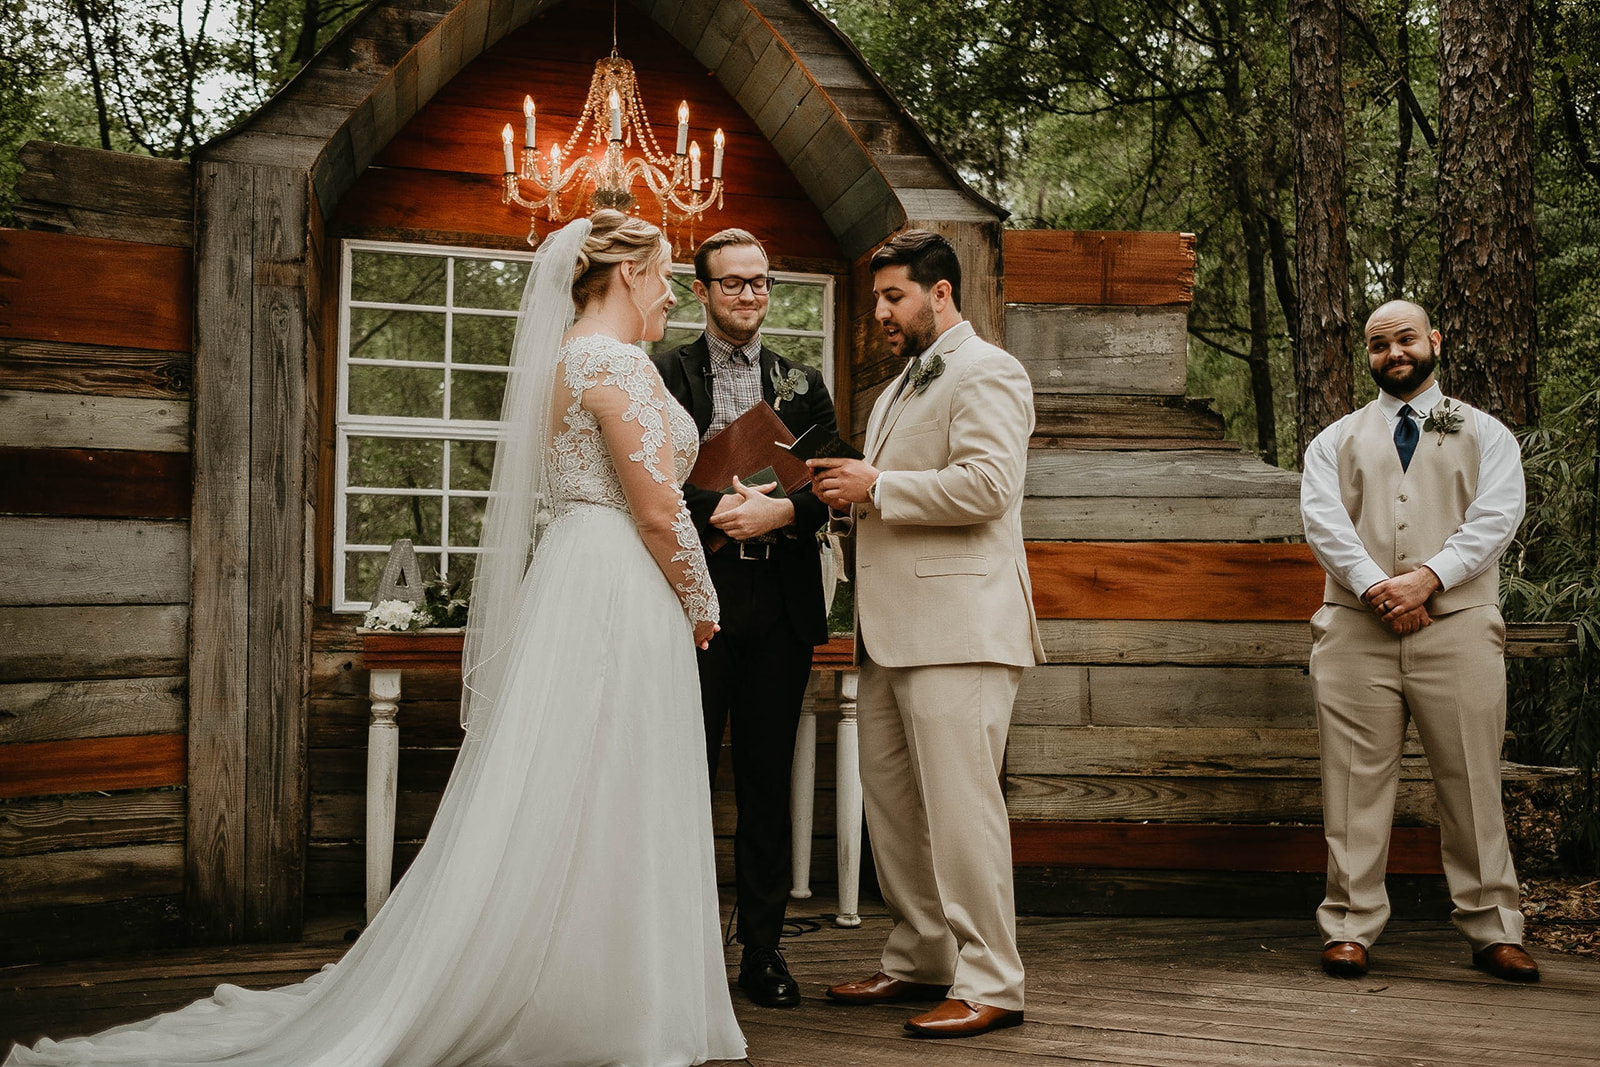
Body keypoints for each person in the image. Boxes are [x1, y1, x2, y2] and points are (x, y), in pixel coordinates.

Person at [4, 211, 748, 1066]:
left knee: (577, 774)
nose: (667, 293)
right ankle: (610, 996)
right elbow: (656, 511)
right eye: (660, 275)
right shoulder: (610, 360)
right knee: (609, 770)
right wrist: (701, 599)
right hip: (619, 582)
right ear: (623, 274)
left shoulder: (570, 358)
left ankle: (594, 979)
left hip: (585, 571)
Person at [809, 229, 1044, 1039]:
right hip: (888, 629)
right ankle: (921, 955)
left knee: (961, 808)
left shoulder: (989, 371)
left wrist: (878, 484)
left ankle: (993, 979)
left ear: (940, 294)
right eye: (877, 297)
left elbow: (987, 486)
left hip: (961, 628)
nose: (879, 310)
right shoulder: (893, 391)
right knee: (896, 808)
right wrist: (850, 501)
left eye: (893, 296)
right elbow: (896, 494)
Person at [1300, 298, 1537, 983]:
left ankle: (1494, 926)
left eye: (1405, 338)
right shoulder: (1333, 440)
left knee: (1471, 779)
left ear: (1433, 340)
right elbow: (1324, 522)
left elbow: (1497, 515)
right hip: (1354, 629)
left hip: (1458, 627)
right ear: (1368, 356)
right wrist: (1381, 586)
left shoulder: (1485, 432)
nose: (1393, 353)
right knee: (1351, 782)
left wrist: (1428, 578)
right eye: (1379, 345)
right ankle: (1348, 922)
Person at [651, 229, 837, 1010]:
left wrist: (780, 513)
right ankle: (675, 953)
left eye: (759, 283)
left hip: (779, 603)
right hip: (692, 599)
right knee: (678, 777)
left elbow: (826, 484)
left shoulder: (802, 381)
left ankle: (762, 951)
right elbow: (642, 478)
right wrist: (723, 508)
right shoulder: (662, 371)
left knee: (766, 783)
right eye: (732, 285)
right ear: (701, 291)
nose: (749, 297)